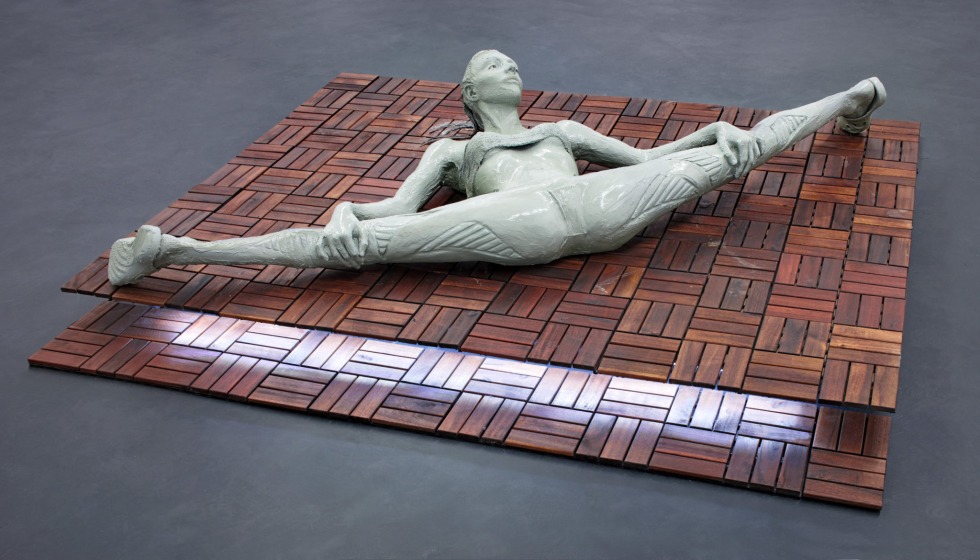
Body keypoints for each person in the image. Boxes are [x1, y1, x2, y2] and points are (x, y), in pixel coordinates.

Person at [108, 50, 885, 286]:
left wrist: (708, 135)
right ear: (471, 94)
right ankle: (175, 252)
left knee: (737, 152)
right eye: (491, 65)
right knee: (354, 247)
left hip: (604, 204)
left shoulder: (564, 129)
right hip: (517, 224)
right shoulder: (454, 151)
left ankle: (849, 99)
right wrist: (347, 212)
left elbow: (647, 160)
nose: (507, 66)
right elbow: (395, 210)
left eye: (511, 62)